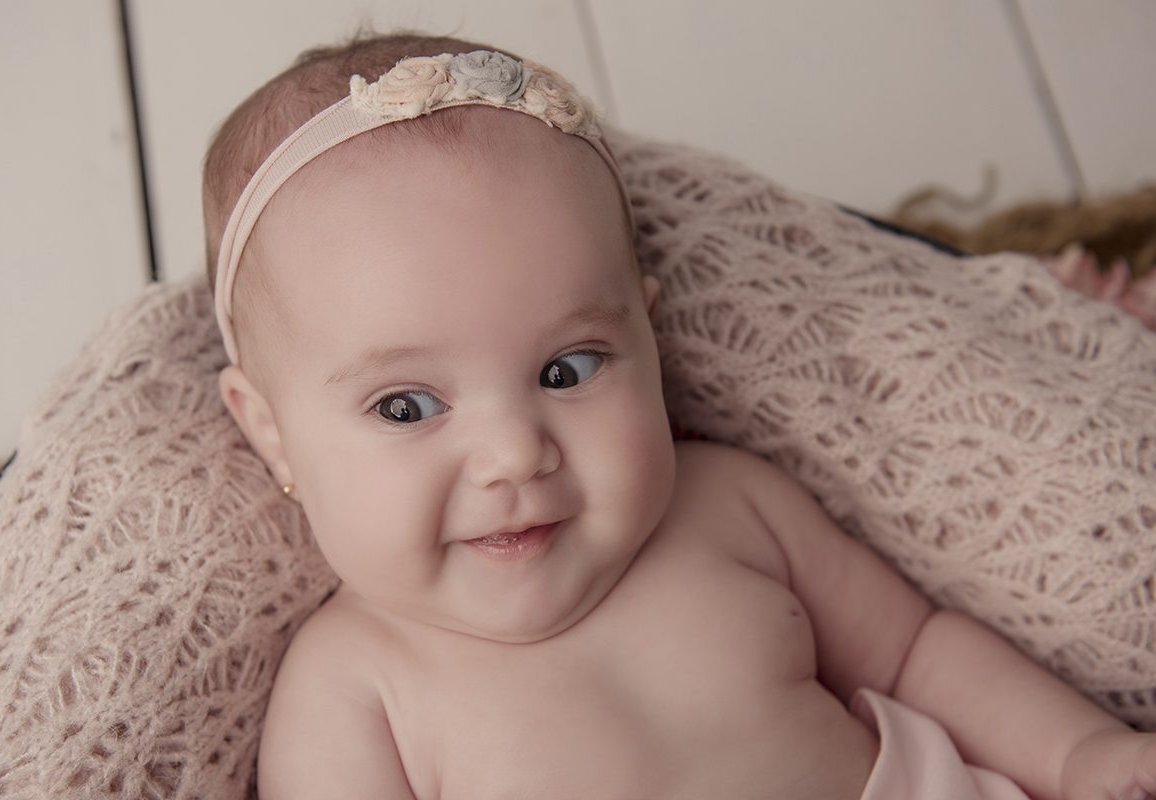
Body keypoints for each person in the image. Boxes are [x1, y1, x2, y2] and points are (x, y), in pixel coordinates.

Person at [204, 31, 1156, 800]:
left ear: (649, 339)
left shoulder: (728, 508)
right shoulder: (353, 692)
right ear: (271, 431)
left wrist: (1079, 755)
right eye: (406, 405)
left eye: (568, 369)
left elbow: (918, 652)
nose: (514, 454)